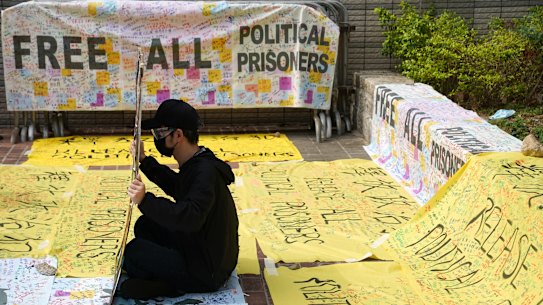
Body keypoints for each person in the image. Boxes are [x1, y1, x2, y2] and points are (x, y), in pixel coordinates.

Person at [122, 99, 239, 300]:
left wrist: (145, 200)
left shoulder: (204, 172)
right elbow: (178, 186)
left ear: (178, 135)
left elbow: (190, 217)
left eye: (160, 133)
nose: (157, 138)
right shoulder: (199, 161)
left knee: (133, 253)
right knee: (145, 225)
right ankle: (165, 275)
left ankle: (168, 286)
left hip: (207, 272)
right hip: (203, 250)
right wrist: (144, 160)